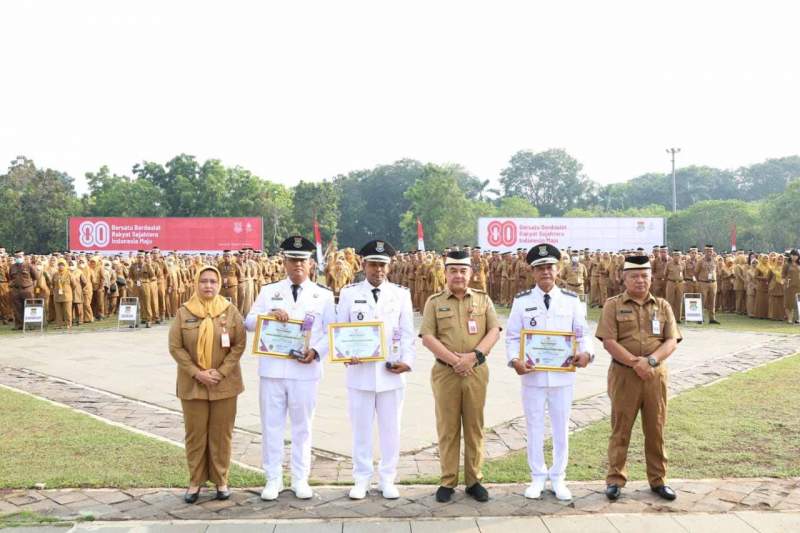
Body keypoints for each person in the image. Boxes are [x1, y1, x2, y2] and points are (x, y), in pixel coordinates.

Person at [245, 236, 336, 501]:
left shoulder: (323, 295)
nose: (298, 265)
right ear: (284, 262)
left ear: (311, 264)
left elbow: (331, 331)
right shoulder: (269, 291)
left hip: (305, 370)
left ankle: (300, 478)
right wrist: (268, 315)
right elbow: (248, 322)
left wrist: (316, 351)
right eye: (293, 260)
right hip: (273, 370)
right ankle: (273, 478)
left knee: (302, 427)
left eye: (302, 260)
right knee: (271, 426)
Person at [505, 244, 594, 501]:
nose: (545, 272)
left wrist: (586, 354)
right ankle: (537, 476)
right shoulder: (522, 301)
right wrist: (514, 360)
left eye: (549, 267)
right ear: (533, 272)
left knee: (561, 427)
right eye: (540, 268)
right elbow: (512, 337)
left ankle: (558, 477)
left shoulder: (571, 300)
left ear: (558, 270)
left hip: (563, 376)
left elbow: (582, 334)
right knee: (534, 426)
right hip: (532, 376)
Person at [595, 255, 682, 502]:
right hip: (624, 375)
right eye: (634, 276)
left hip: (655, 376)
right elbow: (608, 342)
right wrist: (636, 363)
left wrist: (650, 361)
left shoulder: (663, 306)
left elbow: (671, 340)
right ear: (624, 279)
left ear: (651, 278)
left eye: (645, 275)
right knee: (621, 428)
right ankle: (615, 480)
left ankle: (658, 480)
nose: (640, 280)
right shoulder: (612, 305)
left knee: (656, 428)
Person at [420, 250, 501, 503]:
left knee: (475, 426)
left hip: (476, 371)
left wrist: (473, 357)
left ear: (470, 273)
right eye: (453, 270)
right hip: (446, 373)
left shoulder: (483, 299)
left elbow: (494, 331)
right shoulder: (434, 302)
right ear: (445, 274)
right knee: (448, 427)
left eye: (463, 270)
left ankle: (474, 480)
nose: (458, 275)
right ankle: (448, 480)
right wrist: (456, 361)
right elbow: (427, 337)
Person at [336, 240, 415, 500]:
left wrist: (407, 361)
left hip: (391, 372)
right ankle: (361, 479)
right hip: (360, 374)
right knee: (361, 430)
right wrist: (344, 353)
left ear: (389, 267)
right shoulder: (349, 294)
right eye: (373, 264)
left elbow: (408, 333)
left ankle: (387, 479)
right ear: (363, 265)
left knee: (391, 430)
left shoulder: (401, 294)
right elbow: (340, 329)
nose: (378, 270)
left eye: (382, 265)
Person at [169, 265, 246, 504]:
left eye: (213, 281)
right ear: (196, 283)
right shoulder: (184, 312)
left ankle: (221, 480)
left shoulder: (230, 311)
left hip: (225, 383)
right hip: (194, 384)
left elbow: (239, 345)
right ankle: (195, 481)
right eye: (204, 281)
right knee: (195, 436)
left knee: (221, 435)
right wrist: (197, 373)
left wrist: (221, 372)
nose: (208, 285)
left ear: (219, 284)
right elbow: (175, 347)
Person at [8, 251, 39, 330]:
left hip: (27, 289)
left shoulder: (29, 266)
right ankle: (19, 325)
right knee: (17, 308)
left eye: (20, 256)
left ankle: (31, 325)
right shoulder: (12, 267)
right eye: (16, 256)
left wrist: (32, 288)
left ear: (23, 256)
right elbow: (10, 278)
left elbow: (36, 277)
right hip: (16, 290)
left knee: (30, 307)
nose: (18, 258)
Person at [694, 245, 720, 324]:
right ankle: (700, 318)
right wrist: (699, 281)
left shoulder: (715, 260)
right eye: (708, 251)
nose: (709, 253)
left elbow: (717, 271)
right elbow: (696, 272)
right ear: (705, 252)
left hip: (713, 283)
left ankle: (712, 318)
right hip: (703, 283)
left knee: (712, 301)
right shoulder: (700, 261)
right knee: (702, 301)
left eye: (711, 251)